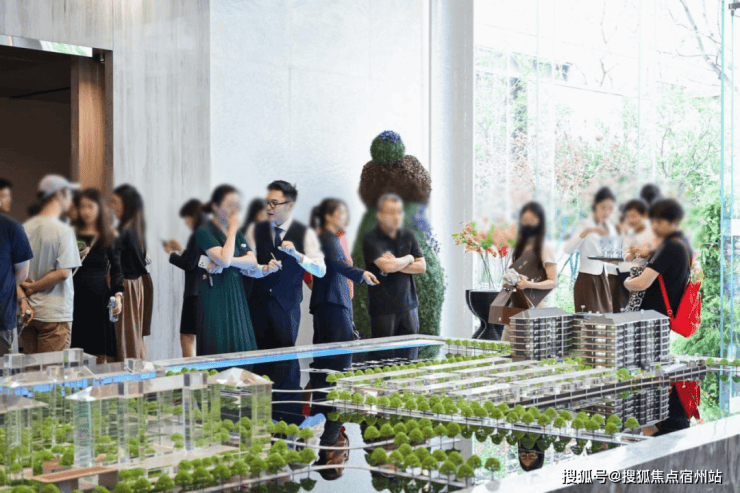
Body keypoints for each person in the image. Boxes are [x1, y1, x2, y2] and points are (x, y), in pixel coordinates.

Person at [625, 198, 695, 436]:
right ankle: (655, 430)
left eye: (657, 222)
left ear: (671, 221)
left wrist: (628, 281)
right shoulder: (683, 244)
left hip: (650, 320)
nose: (653, 226)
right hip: (661, 320)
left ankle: (652, 432)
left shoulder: (670, 247)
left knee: (643, 374)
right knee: (650, 370)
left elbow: (641, 283)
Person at [196, 185, 280, 356]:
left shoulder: (238, 235)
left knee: (244, 347)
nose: (234, 210)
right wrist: (233, 230)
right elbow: (225, 259)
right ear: (215, 206)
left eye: (236, 205)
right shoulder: (205, 231)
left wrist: (226, 262)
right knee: (218, 349)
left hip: (236, 294)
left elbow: (251, 262)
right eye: (229, 204)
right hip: (216, 295)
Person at [245, 180, 326, 349]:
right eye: (267, 202)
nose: (269, 208)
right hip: (256, 306)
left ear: (290, 205)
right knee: (257, 360)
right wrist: (264, 269)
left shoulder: (305, 233)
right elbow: (246, 268)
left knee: (285, 358)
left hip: (287, 308)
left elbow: (320, 270)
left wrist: (297, 255)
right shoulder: (254, 229)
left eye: (274, 203)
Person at [17, 175, 82, 354]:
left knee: (31, 368)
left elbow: (13, 271)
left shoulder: (24, 227)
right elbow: (63, 273)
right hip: (55, 313)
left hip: (28, 313)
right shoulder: (63, 230)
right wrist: (34, 287)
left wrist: (24, 296)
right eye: (68, 193)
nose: (70, 199)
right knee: (52, 369)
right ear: (59, 195)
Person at [310, 198, 378, 345]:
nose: (346, 216)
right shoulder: (326, 238)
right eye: (342, 212)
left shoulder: (332, 238)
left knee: (332, 351)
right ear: (328, 217)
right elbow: (337, 263)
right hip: (332, 302)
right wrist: (362, 274)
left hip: (333, 301)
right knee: (340, 351)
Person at [362, 194, 426, 344]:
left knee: (410, 354)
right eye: (391, 212)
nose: (396, 216)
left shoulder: (409, 235)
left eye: (399, 212)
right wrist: (409, 258)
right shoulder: (371, 239)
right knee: (384, 355)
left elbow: (422, 267)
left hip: (409, 307)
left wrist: (396, 263)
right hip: (383, 310)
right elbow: (387, 266)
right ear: (380, 215)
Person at [71, 189, 124, 363]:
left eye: (90, 206)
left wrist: (118, 295)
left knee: (99, 349)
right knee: (75, 348)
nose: (85, 211)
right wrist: (74, 257)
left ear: (99, 208)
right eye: (82, 206)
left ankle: (98, 379)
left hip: (99, 297)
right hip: (74, 296)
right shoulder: (71, 233)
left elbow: (117, 269)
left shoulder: (109, 235)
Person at [500, 202, 557, 342]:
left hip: (536, 306)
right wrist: (508, 282)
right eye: (525, 221)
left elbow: (553, 281)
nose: (528, 225)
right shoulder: (519, 247)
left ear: (540, 222)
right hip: (516, 304)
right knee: (506, 346)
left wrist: (529, 285)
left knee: (532, 348)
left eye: (532, 220)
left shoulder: (545, 248)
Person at [163, 199, 207, 358]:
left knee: (186, 338)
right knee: (196, 338)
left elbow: (190, 264)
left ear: (193, 216)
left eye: (186, 218)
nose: (186, 222)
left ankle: (192, 371)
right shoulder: (207, 232)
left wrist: (171, 254)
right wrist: (181, 250)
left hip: (193, 293)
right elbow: (198, 260)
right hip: (203, 292)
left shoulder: (197, 234)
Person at [562, 187, 618, 314]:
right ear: (595, 205)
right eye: (603, 207)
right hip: (587, 278)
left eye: (610, 208)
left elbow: (612, 257)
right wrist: (587, 231)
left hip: (604, 279)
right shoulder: (584, 224)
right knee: (589, 321)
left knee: (606, 320)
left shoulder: (610, 227)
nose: (607, 212)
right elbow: (568, 249)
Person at [110, 184, 150, 360]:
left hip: (125, 286)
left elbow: (117, 264)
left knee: (126, 338)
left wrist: (117, 293)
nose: (112, 207)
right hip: (136, 285)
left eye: (115, 202)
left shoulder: (123, 231)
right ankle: (140, 371)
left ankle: (130, 374)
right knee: (134, 335)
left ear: (126, 204)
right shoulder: (138, 227)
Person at [0, 209, 33, 355]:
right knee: (6, 368)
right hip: (3, 317)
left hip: (3, 320)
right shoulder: (12, 226)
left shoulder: (11, 226)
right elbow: (21, 275)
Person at [616, 199, 656, 312]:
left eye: (633, 216)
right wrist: (632, 254)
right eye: (627, 216)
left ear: (644, 215)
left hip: (651, 272)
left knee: (647, 304)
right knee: (636, 304)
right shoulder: (629, 235)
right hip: (635, 273)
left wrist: (648, 251)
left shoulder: (652, 230)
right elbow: (626, 257)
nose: (630, 220)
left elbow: (659, 248)